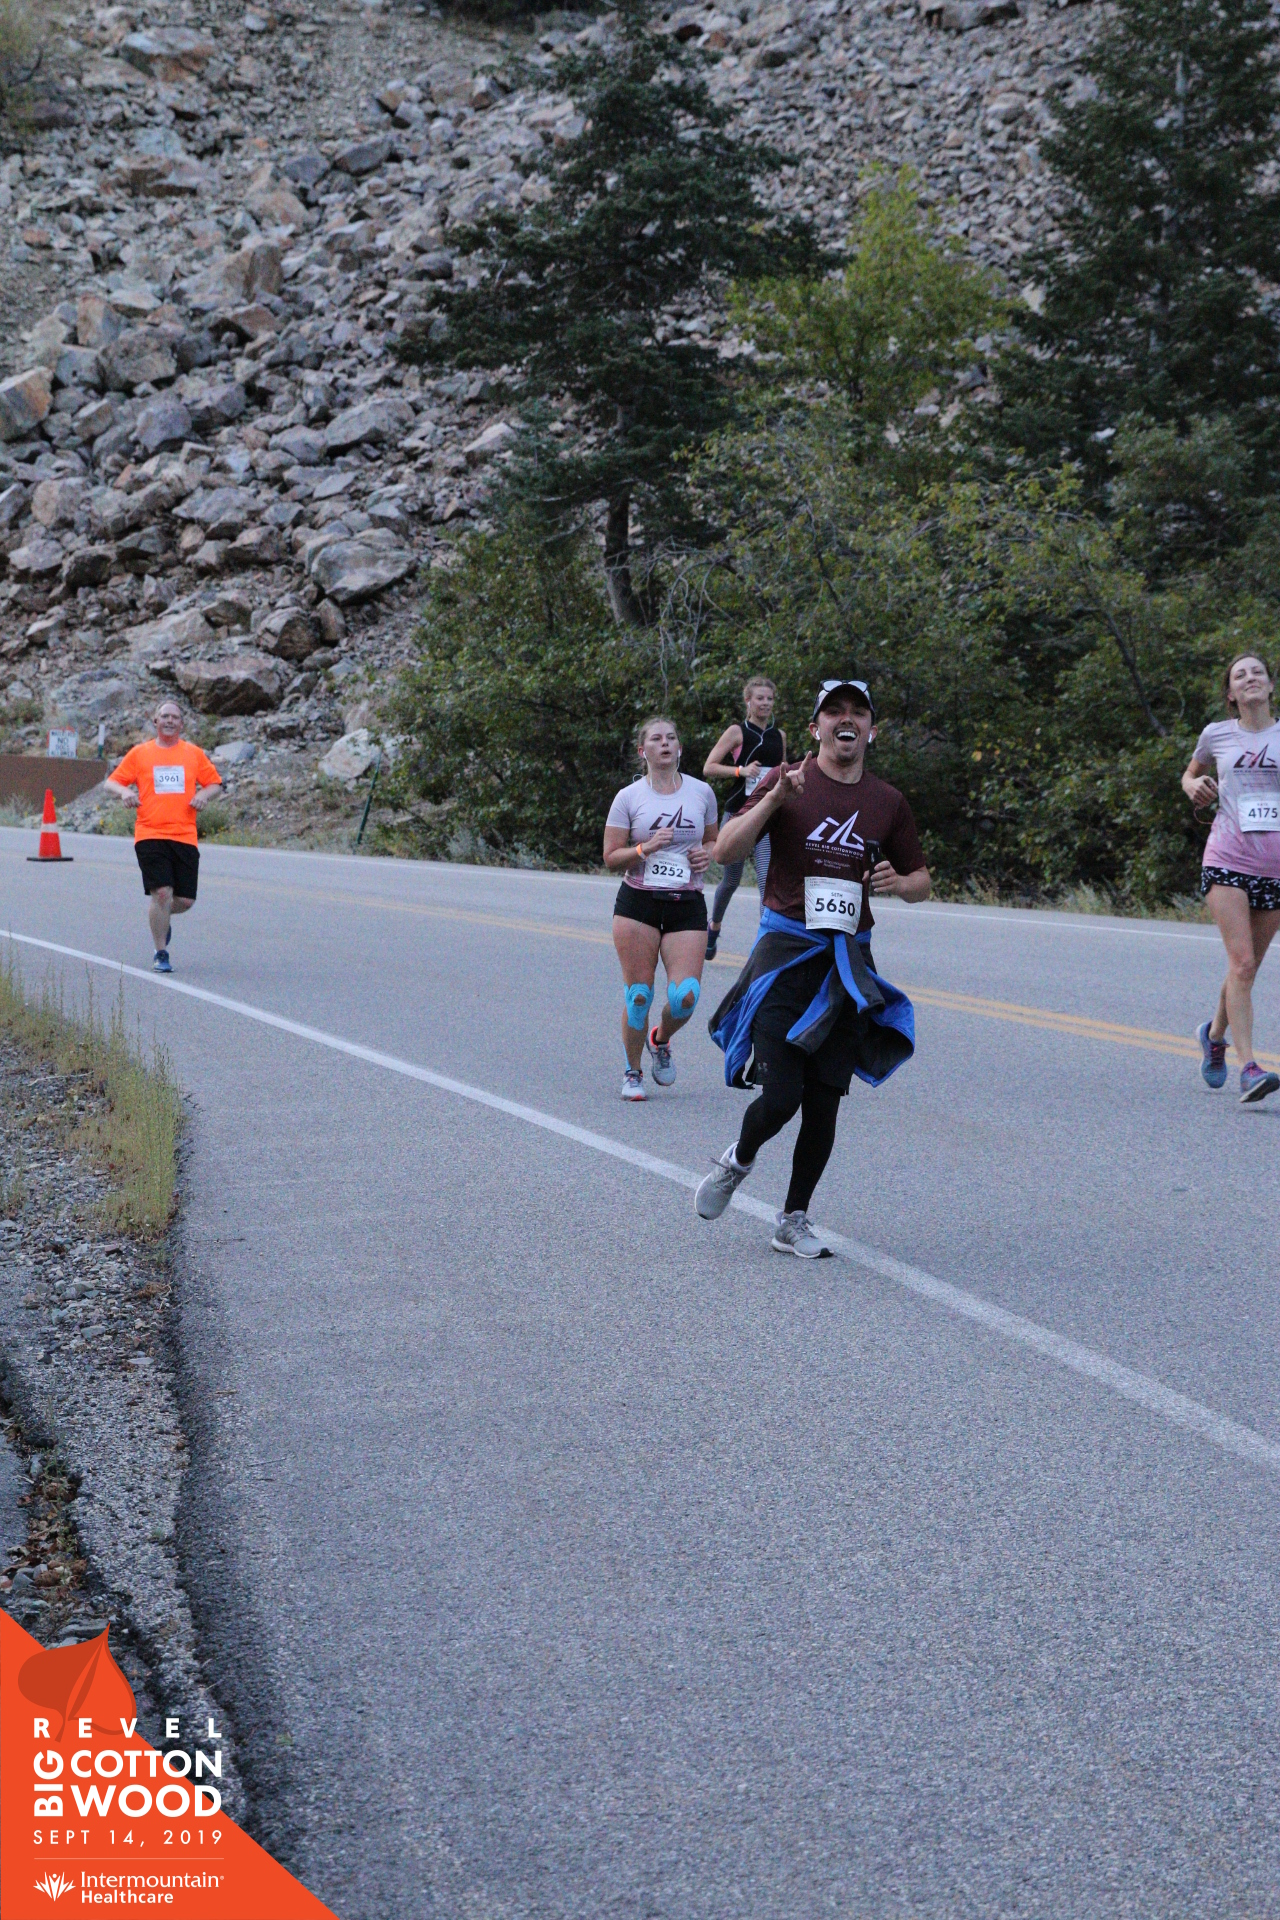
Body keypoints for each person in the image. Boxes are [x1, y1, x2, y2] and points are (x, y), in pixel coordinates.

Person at [695, 679, 929, 1256]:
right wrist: (774, 799)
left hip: (846, 964)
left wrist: (900, 883)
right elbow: (724, 851)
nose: (846, 720)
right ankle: (737, 1161)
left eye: (858, 712)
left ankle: (793, 1218)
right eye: (834, 712)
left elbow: (922, 881)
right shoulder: (786, 778)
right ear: (815, 727)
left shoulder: (888, 801)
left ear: (871, 730)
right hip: (786, 956)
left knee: (824, 1104)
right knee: (781, 1097)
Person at [1181, 652, 1280, 1104]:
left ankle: (1213, 1035)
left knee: (1248, 967)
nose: (1250, 678)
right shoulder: (1216, 735)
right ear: (1231, 693)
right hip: (1227, 856)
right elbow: (1191, 774)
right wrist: (1193, 787)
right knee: (1241, 963)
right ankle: (1250, 1068)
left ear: (1271, 686)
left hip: (1274, 867)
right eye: (1241, 675)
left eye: (1258, 672)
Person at [604, 716, 719, 1101]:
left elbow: (714, 842)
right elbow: (611, 857)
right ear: (643, 751)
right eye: (656, 739)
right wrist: (644, 848)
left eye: (671, 738)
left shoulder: (702, 792)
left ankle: (661, 1038)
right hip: (638, 903)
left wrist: (707, 854)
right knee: (638, 995)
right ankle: (632, 1072)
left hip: (686, 903)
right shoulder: (628, 797)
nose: (665, 743)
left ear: (680, 748)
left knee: (686, 996)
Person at [103, 697, 221, 974]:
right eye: (164, 716)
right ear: (155, 721)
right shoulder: (140, 753)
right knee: (163, 893)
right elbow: (111, 782)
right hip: (150, 832)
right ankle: (160, 952)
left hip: (184, 834)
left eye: (174, 717)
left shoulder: (193, 754)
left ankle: (161, 917)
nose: (169, 720)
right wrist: (125, 792)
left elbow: (215, 784)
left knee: (185, 901)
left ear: (181, 724)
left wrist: (204, 795)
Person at [702, 676, 787, 961]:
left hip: (767, 818)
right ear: (748, 700)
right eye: (760, 698)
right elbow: (709, 767)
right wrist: (741, 771)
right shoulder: (737, 732)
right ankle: (713, 926)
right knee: (731, 880)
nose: (765, 703)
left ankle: (764, 948)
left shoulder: (779, 736)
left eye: (769, 699)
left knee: (766, 882)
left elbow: (782, 771)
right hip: (739, 814)